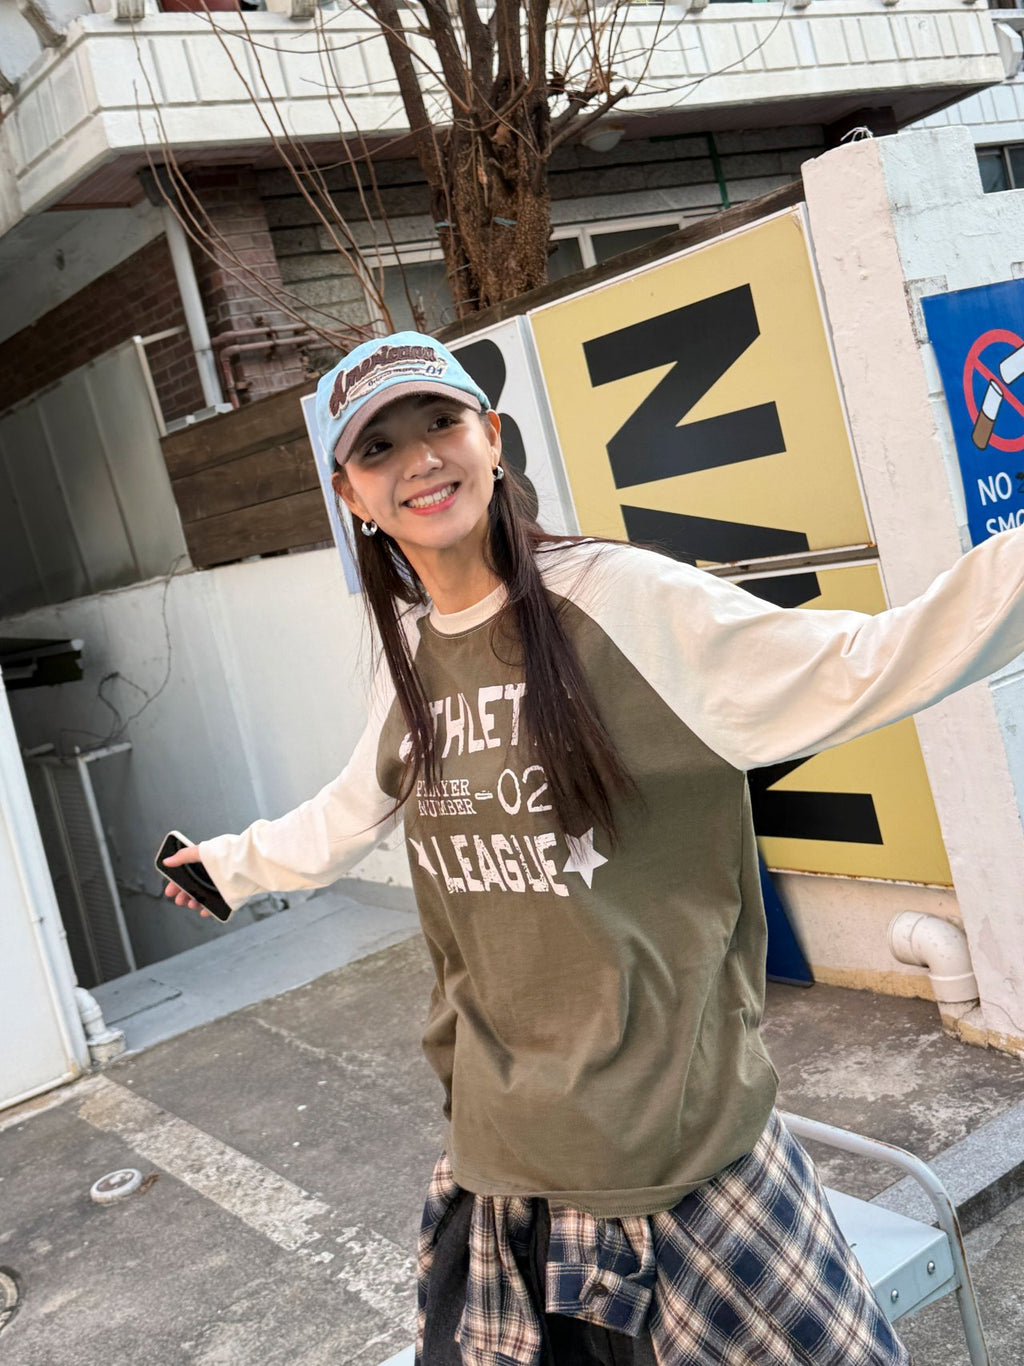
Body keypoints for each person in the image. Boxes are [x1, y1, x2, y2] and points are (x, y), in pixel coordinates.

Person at [163, 330, 1024, 1366]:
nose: (419, 461)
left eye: (439, 423)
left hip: (685, 1171)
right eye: (379, 448)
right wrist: (224, 869)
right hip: (503, 1177)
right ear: (351, 494)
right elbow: (340, 816)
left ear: (490, 436)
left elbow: (875, 660)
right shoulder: (409, 668)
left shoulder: (625, 602)